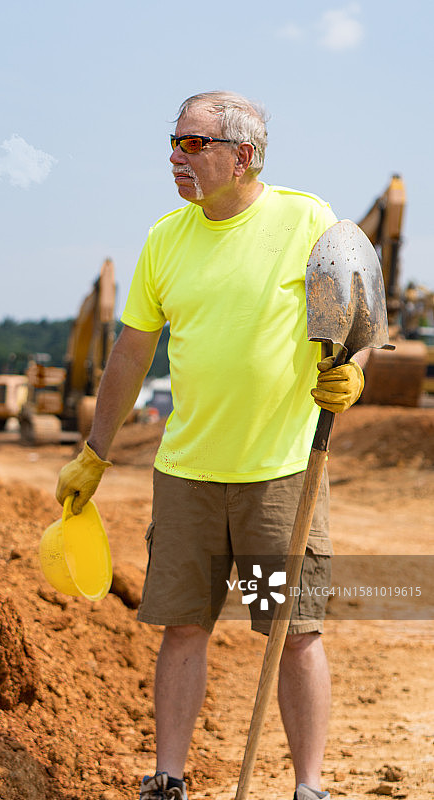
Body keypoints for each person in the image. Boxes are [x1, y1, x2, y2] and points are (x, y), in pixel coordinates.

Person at [56, 91, 366, 800]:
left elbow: (353, 327)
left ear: (242, 154)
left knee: (292, 632)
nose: (175, 157)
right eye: (173, 142)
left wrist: (352, 373)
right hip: (187, 477)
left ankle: (308, 786)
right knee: (183, 626)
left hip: (280, 476)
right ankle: (167, 778)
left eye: (193, 144)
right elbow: (130, 357)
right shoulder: (166, 237)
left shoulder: (305, 221)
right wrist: (95, 452)